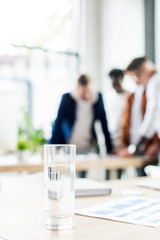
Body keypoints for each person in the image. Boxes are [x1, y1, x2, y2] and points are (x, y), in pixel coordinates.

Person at [49, 74, 113, 157]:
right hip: (69, 146)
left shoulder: (97, 98)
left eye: (88, 91)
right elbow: (58, 123)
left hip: (89, 146)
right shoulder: (67, 98)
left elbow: (104, 123)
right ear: (77, 88)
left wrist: (110, 149)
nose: (86, 95)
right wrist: (52, 148)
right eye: (83, 92)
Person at [118, 57, 160, 172]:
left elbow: (153, 113)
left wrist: (135, 147)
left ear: (145, 69)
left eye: (136, 77)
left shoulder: (154, 82)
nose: (137, 82)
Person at [106, 69, 129, 149]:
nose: (114, 83)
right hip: (112, 136)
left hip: (126, 137)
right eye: (112, 80)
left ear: (121, 79)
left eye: (116, 80)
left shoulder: (129, 96)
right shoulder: (108, 97)